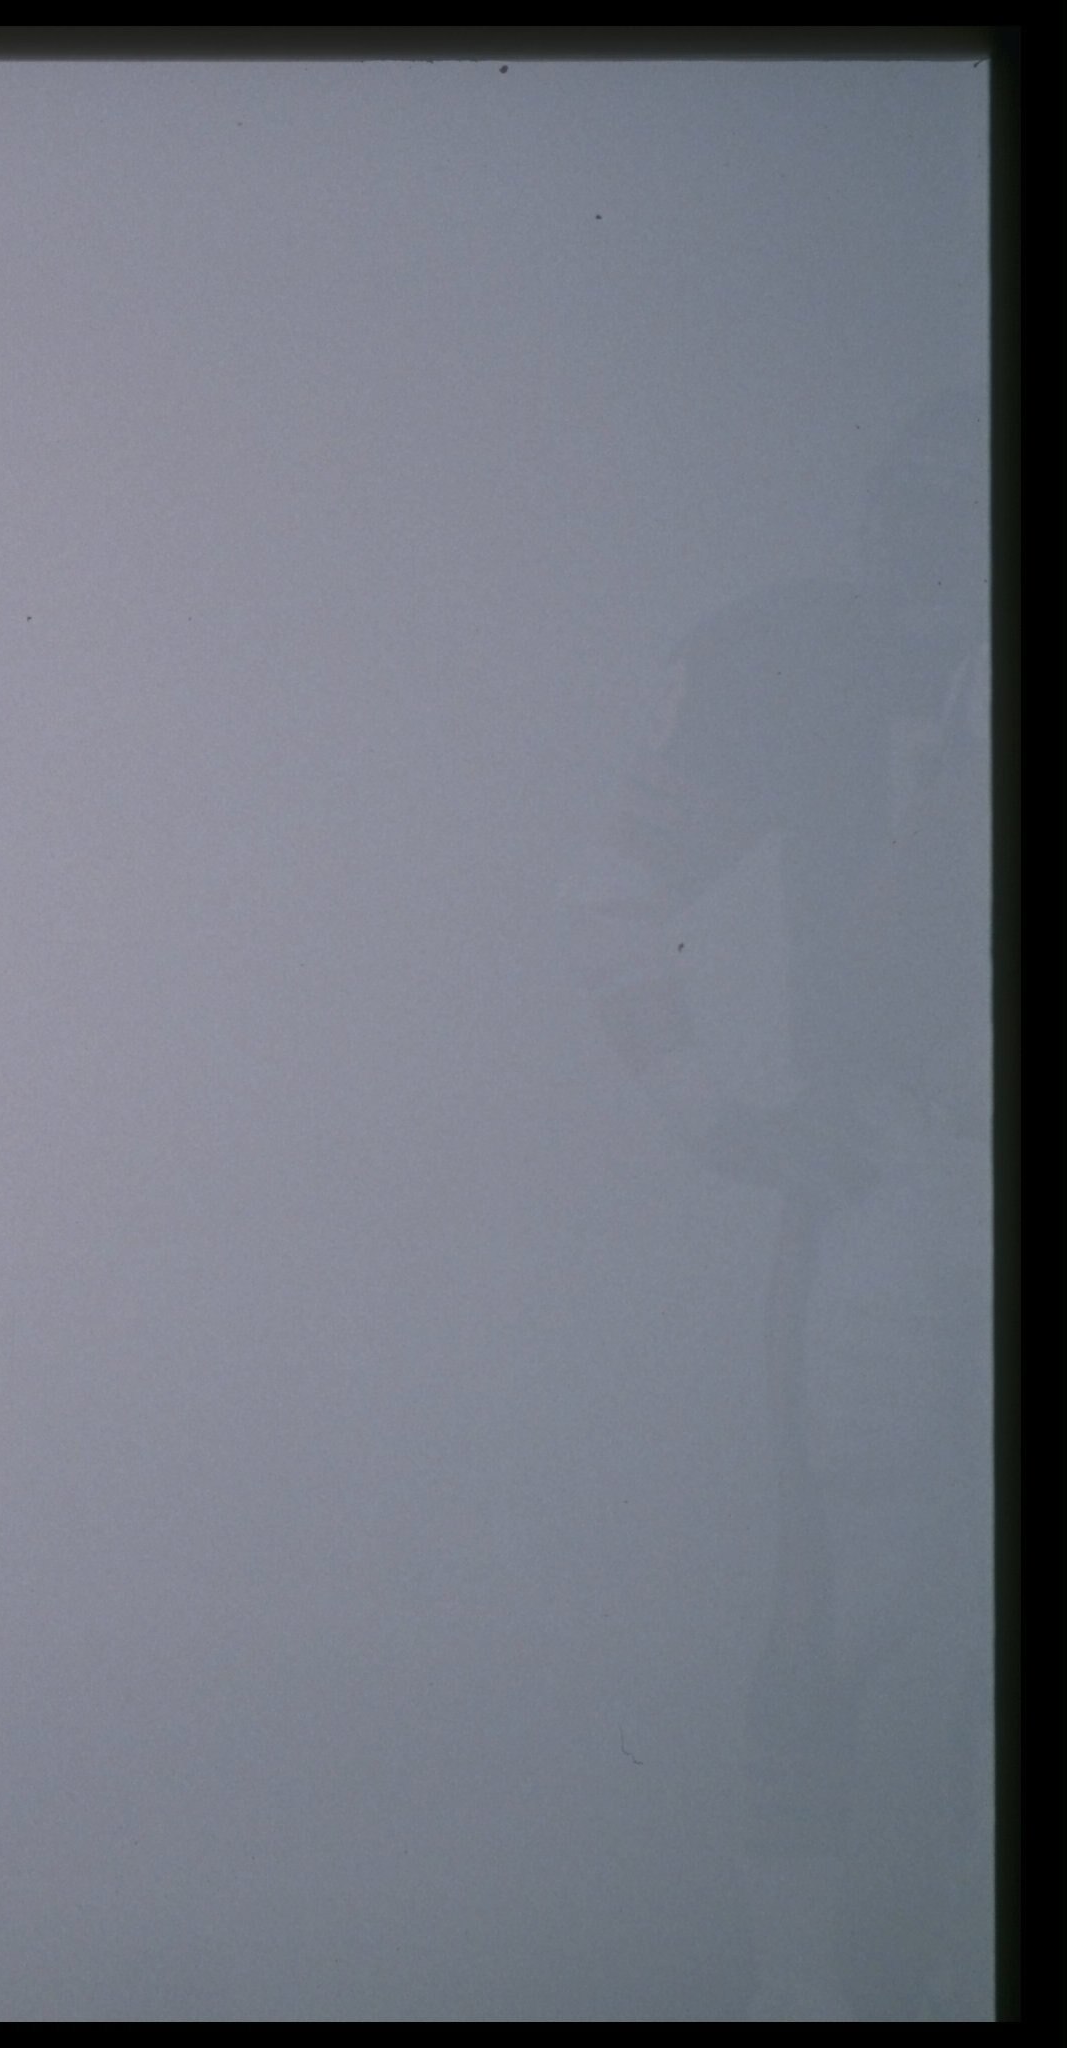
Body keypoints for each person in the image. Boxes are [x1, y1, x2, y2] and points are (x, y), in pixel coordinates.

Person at [566, 391, 993, 2019]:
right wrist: (717, 1111)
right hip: (885, 1165)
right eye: (918, 507)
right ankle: (799, 1987)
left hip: (911, 1165)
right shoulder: (813, 663)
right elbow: (615, 889)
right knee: (844, 1597)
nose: (928, 541)